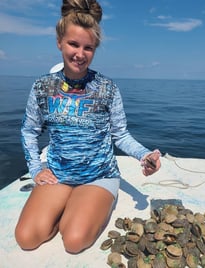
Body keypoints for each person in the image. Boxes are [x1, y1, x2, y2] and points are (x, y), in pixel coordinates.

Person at [15, 0, 161, 254]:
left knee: (73, 241)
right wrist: (36, 168)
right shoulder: (42, 87)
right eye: (73, 44)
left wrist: (145, 154)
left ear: (94, 50)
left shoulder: (107, 88)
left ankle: (83, 206)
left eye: (88, 48)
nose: (79, 54)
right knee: (26, 238)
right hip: (58, 174)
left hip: (98, 176)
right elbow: (29, 131)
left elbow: (121, 134)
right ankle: (68, 205)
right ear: (59, 42)